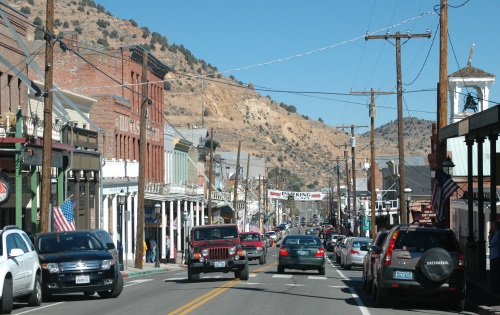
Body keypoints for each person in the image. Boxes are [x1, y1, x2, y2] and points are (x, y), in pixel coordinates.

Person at [489, 220, 500, 292]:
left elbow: (491, 244)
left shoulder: (498, 234)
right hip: (494, 256)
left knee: (496, 273)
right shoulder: (495, 234)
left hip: (496, 256)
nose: (491, 227)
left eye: (492, 226)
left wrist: (490, 236)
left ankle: (498, 287)